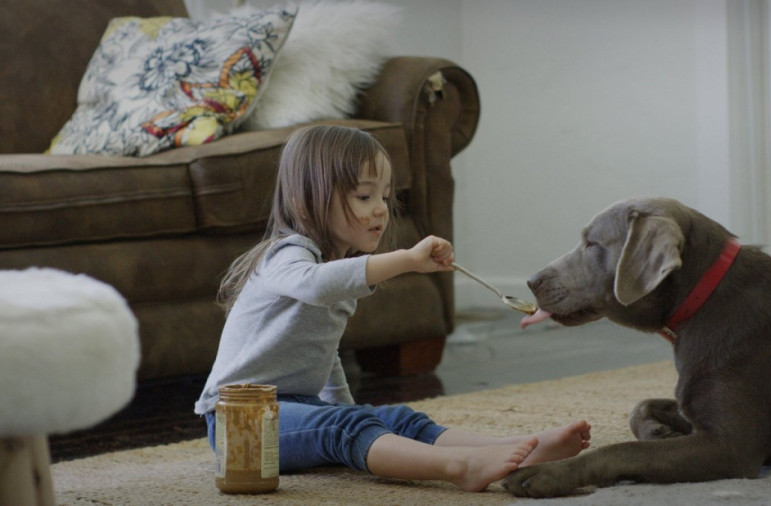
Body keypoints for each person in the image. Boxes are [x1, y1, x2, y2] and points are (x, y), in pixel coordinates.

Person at [194, 125, 591, 492]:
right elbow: (313, 286)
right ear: (304, 203)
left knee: (396, 419)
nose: (381, 208)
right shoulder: (288, 254)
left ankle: (520, 447)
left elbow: (322, 351)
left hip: (297, 410)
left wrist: (356, 413)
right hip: (241, 424)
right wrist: (406, 260)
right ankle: (460, 467)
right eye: (364, 197)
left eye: (384, 196)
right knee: (346, 427)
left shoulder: (334, 270)